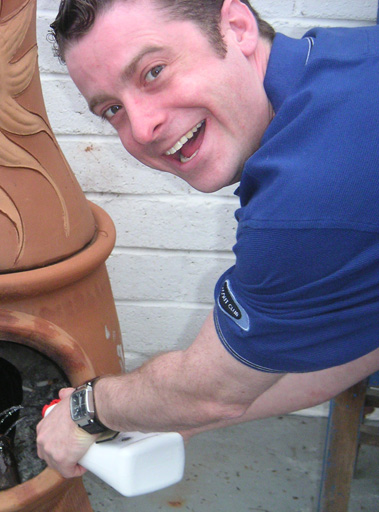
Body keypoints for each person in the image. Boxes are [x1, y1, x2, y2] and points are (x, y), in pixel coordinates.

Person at [36, 0, 379, 479]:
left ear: (236, 27)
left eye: (153, 72)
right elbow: (353, 341)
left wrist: (87, 409)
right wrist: (177, 420)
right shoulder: (338, 57)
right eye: (112, 109)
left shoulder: (303, 198)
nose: (142, 127)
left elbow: (212, 391)